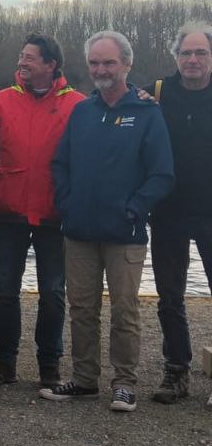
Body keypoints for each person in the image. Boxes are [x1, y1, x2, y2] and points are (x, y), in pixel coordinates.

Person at [42, 31, 174, 413]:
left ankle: (124, 383)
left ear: (126, 65)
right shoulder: (82, 111)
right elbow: (60, 163)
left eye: (109, 62)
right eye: (95, 63)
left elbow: (162, 174)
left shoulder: (148, 113)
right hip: (79, 230)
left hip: (125, 233)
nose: (101, 69)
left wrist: (135, 208)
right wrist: (67, 203)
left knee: (124, 309)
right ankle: (84, 380)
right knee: (81, 307)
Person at [0, 33, 85, 390]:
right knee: (5, 290)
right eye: (21, 56)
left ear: (51, 65)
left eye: (31, 58)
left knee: (53, 293)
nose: (23, 62)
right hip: (9, 211)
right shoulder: (2, 100)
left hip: (55, 215)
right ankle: (3, 362)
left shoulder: (77, 105)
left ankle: (49, 365)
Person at [144, 22, 212, 405]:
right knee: (170, 296)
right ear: (176, 57)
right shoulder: (157, 92)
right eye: (186, 53)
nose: (193, 60)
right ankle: (177, 370)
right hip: (168, 210)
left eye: (201, 52)